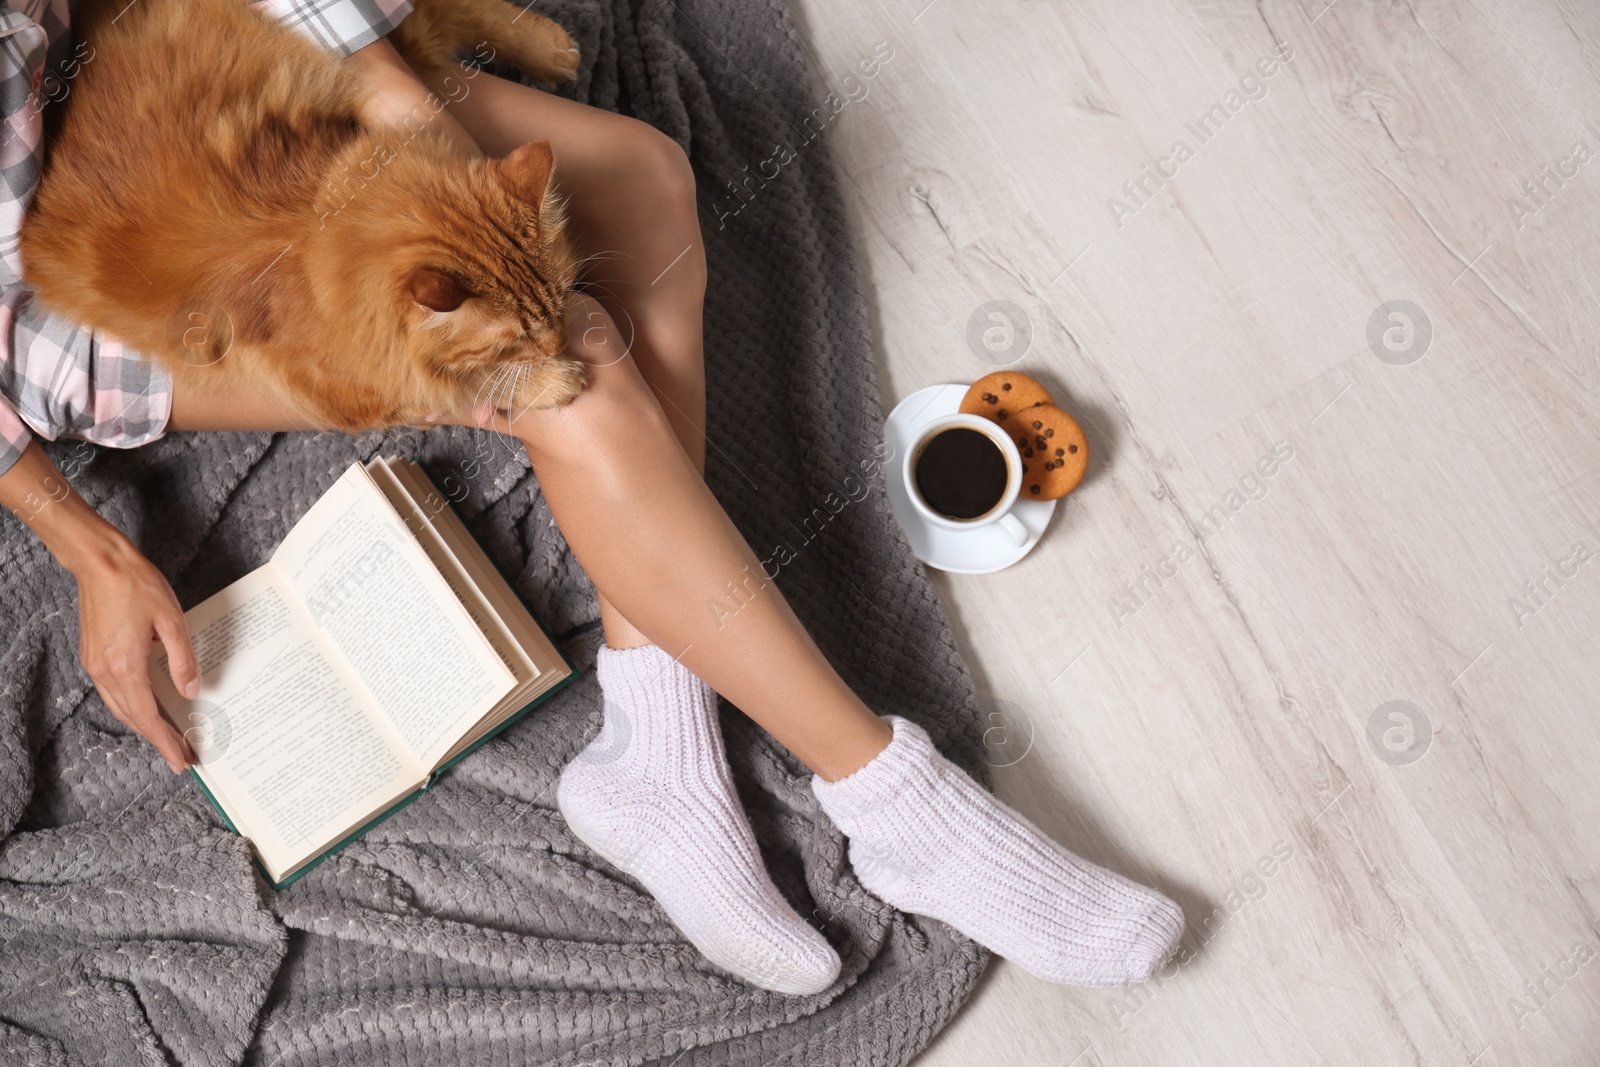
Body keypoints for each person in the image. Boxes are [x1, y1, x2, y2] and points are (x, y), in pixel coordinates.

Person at [0, 0, 1183, 995]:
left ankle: (656, 736)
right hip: (50, 294)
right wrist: (77, 535)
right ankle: (890, 799)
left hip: (166, 57)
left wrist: (397, 103)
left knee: (643, 181)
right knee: (578, 372)